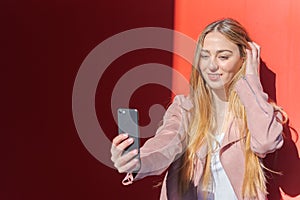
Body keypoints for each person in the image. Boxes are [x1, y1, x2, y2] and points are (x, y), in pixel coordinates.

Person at [110, 18, 287, 200]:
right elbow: (165, 144)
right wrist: (137, 161)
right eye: (205, 56)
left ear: (243, 59)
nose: (211, 66)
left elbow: (266, 142)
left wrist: (251, 80)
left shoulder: (253, 111)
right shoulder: (185, 109)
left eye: (223, 56)